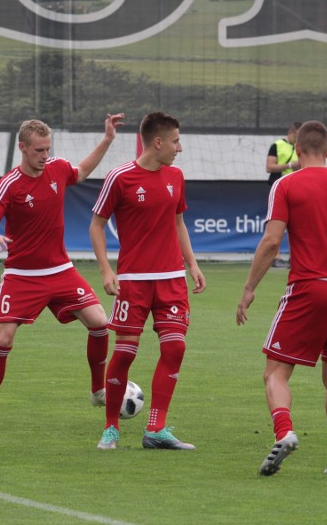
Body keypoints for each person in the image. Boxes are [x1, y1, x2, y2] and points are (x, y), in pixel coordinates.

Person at [236, 120, 327, 476]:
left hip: (308, 286)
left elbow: (271, 242)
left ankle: (284, 432)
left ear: (297, 151)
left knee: (275, 372)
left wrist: (249, 287)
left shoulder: (287, 184)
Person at [0, 113, 125, 429]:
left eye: (48, 149)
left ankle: (97, 391)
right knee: (4, 339)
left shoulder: (57, 169)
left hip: (61, 270)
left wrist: (106, 139)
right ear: (23, 148)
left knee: (99, 323)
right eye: (39, 150)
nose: (45, 156)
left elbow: (81, 170)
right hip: (21, 276)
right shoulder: (10, 184)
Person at [89, 111, 206, 450]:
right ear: (158, 142)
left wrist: (192, 264)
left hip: (171, 279)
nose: (179, 148)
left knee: (176, 347)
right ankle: (111, 427)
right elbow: (97, 225)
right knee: (125, 354)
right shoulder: (120, 177)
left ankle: (156, 429)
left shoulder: (176, 176)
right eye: (175, 141)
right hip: (134, 281)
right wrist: (106, 271)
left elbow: (179, 222)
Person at [266, 122, 302, 267]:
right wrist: (290, 165)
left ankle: (295, 257)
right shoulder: (277, 145)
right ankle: (276, 257)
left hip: (297, 189)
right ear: (292, 132)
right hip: (279, 189)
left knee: (297, 225)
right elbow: (269, 167)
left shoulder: (300, 147)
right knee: (276, 223)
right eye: (298, 135)